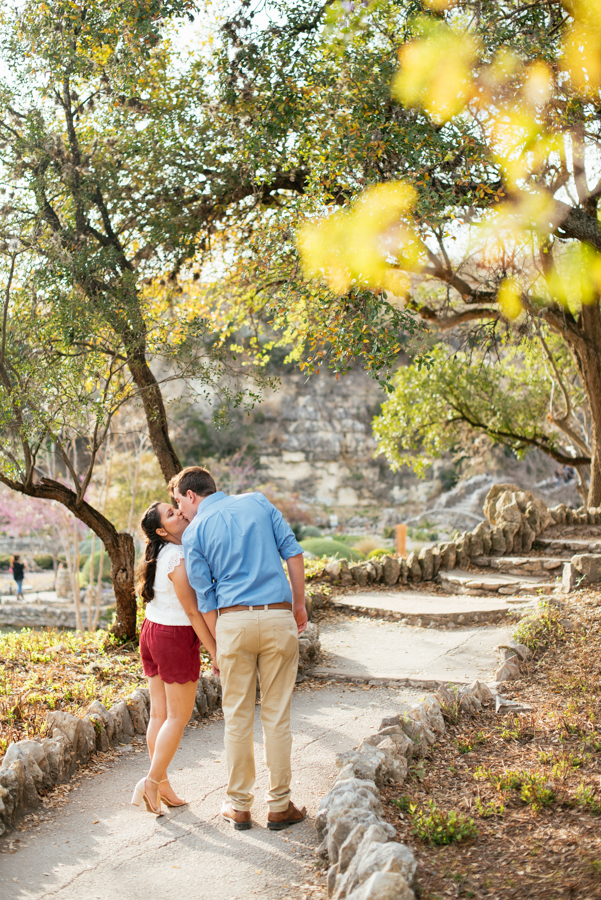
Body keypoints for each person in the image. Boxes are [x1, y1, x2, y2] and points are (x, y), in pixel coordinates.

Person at [171, 465, 308, 832]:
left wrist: (218, 647)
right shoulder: (258, 502)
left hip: (231, 623)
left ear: (191, 495)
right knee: (276, 716)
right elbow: (293, 553)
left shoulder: (194, 531)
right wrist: (298, 606)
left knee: (238, 718)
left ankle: (239, 806)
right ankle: (279, 806)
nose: (181, 513)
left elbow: (205, 599)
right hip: (278, 617)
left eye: (179, 504)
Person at [131, 501, 218, 816]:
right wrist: (215, 651)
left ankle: (162, 783)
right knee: (177, 718)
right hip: (174, 637)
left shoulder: (160, 555)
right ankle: (152, 781)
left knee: (159, 716)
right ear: (161, 531)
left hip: (152, 632)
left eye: (176, 509)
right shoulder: (177, 558)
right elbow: (193, 612)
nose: (179, 513)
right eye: (171, 514)